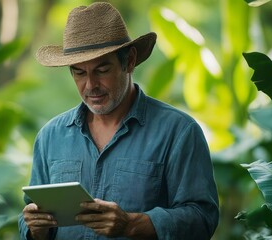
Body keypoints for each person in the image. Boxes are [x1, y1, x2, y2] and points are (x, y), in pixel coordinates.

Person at [18, 2, 219, 240]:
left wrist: (132, 225)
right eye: (79, 72)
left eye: (102, 70)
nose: (90, 85)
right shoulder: (50, 137)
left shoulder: (179, 131)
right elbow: (30, 217)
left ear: (130, 61)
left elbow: (203, 218)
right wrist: (34, 228)